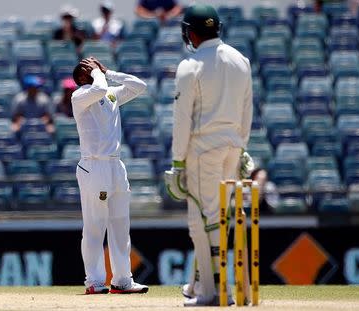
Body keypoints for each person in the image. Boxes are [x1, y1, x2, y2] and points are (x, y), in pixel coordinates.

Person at [166, 4, 253, 306]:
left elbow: (182, 120)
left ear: (190, 31)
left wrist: (178, 162)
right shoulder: (241, 61)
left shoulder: (190, 66)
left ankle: (212, 293)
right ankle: (197, 284)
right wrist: (242, 148)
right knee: (219, 219)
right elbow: (247, 112)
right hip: (232, 147)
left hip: (204, 150)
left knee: (201, 222)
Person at [71, 57, 148, 295]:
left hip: (116, 165)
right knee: (95, 226)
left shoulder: (110, 94)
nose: (95, 69)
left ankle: (123, 280)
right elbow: (100, 88)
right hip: (94, 166)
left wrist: (109, 71)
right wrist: (97, 74)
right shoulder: (80, 96)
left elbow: (139, 86)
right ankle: (94, 281)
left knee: (120, 225)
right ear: (83, 76)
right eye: (90, 68)